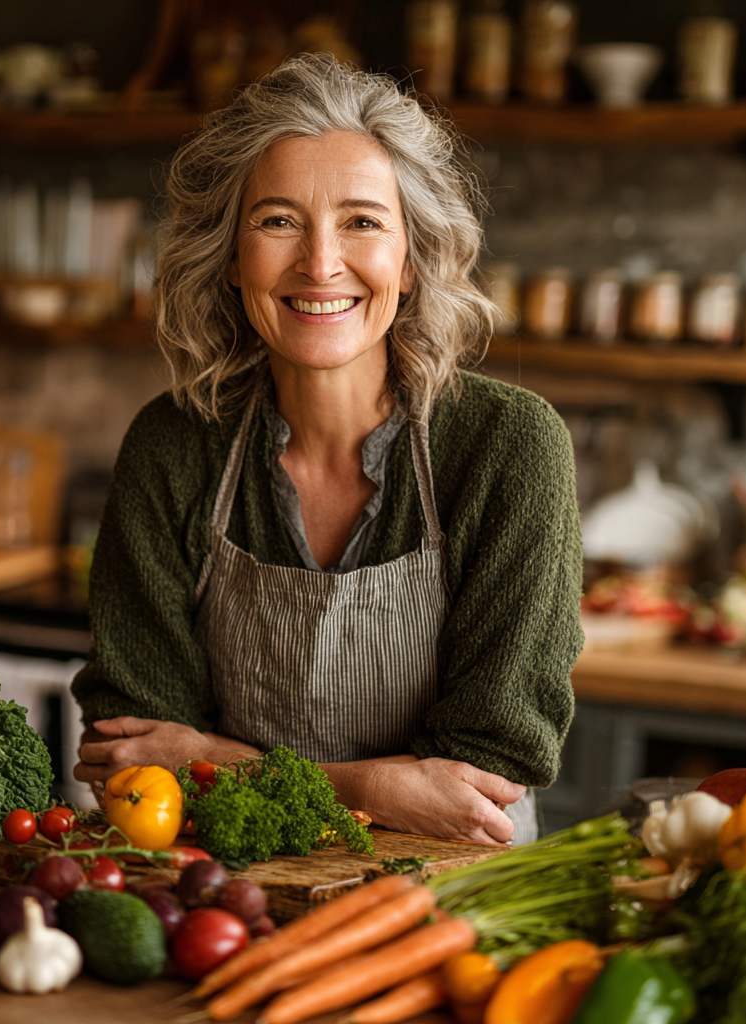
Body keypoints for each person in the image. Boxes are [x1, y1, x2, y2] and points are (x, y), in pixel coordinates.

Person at [72, 54, 583, 846]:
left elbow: (486, 771)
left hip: (451, 906)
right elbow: (134, 760)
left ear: (410, 261)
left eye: (362, 221)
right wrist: (384, 785)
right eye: (277, 220)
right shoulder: (172, 447)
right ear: (232, 259)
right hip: (227, 897)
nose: (319, 263)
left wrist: (215, 760)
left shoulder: (508, 449)